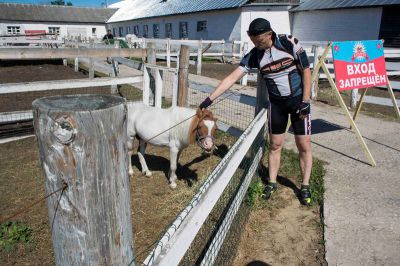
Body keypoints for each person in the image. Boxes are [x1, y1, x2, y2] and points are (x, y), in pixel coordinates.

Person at [199, 18, 313, 206]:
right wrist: (209, 99)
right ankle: (272, 182)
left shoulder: (288, 42)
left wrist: (306, 101)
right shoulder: (254, 54)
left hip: (298, 101)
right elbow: (232, 78)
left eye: (259, 41)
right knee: (275, 145)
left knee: (304, 144)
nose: (256, 44)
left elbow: (306, 70)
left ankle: (306, 185)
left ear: (269, 34)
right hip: (276, 105)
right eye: (253, 41)